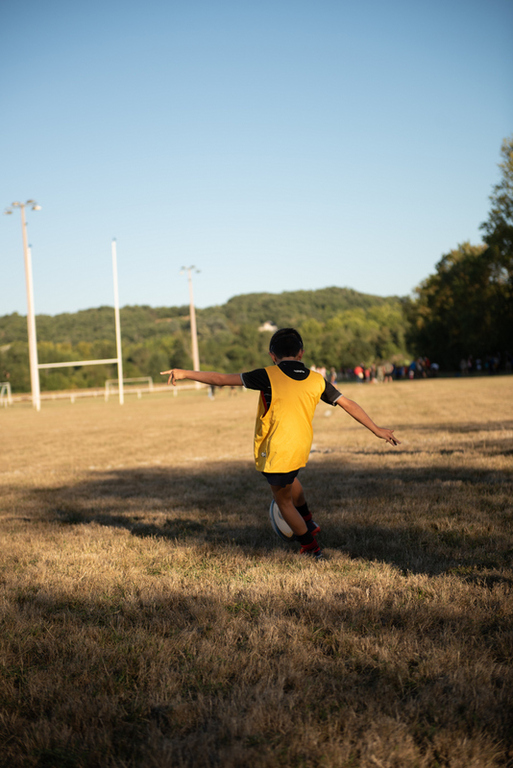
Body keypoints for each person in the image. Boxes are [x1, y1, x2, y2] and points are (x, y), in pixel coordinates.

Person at [161, 328, 400, 560]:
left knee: (283, 502)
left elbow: (220, 380)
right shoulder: (317, 379)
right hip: (300, 446)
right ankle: (308, 521)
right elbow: (348, 403)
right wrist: (376, 429)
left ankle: (311, 547)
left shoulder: (267, 375)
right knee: (291, 479)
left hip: (277, 448)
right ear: (301, 353)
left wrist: (184, 373)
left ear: (272, 356)